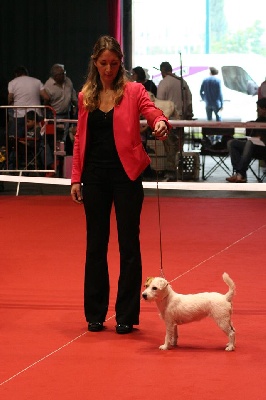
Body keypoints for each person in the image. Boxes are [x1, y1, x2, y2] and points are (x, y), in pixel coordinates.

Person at [70, 35, 170, 334]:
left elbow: (151, 111)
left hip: (127, 176)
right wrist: (76, 177)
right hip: (95, 178)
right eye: (103, 64)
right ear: (95, 63)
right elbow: (79, 139)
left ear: (120, 63)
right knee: (95, 246)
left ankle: (126, 315)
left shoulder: (135, 90)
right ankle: (95, 314)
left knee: (129, 245)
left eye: (114, 64)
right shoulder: (85, 94)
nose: (109, 69)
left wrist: (159, 122)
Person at [157, 61, 193, 181]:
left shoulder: (163, 83)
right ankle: (179, 171)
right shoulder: (183, 82)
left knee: (170, 147)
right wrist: (188, 114)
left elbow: (159, 104)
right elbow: (189, 101)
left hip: (168, 120)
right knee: (179, 147)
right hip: (182, 120)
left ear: (162, 71)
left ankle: (171, 172)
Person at [226, 97, 266, 183]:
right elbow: (252, 136)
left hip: (263, 149)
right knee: (232, 143)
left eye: (258, 109)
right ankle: (239, 173)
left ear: (264, 109)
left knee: (250, 142)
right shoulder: (258, 120)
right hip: (254, 147)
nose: (257, 111)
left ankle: (240, 174)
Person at [7, 66, 49, 137]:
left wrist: (10, 104)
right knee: (38, 138)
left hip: (19, 115)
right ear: (27, 73)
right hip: (36, 115)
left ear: (16, 75)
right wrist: (43, 107)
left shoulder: (12, 82)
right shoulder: (37, 81)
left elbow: (10, 97)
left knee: (16, 138)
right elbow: (46, 97)